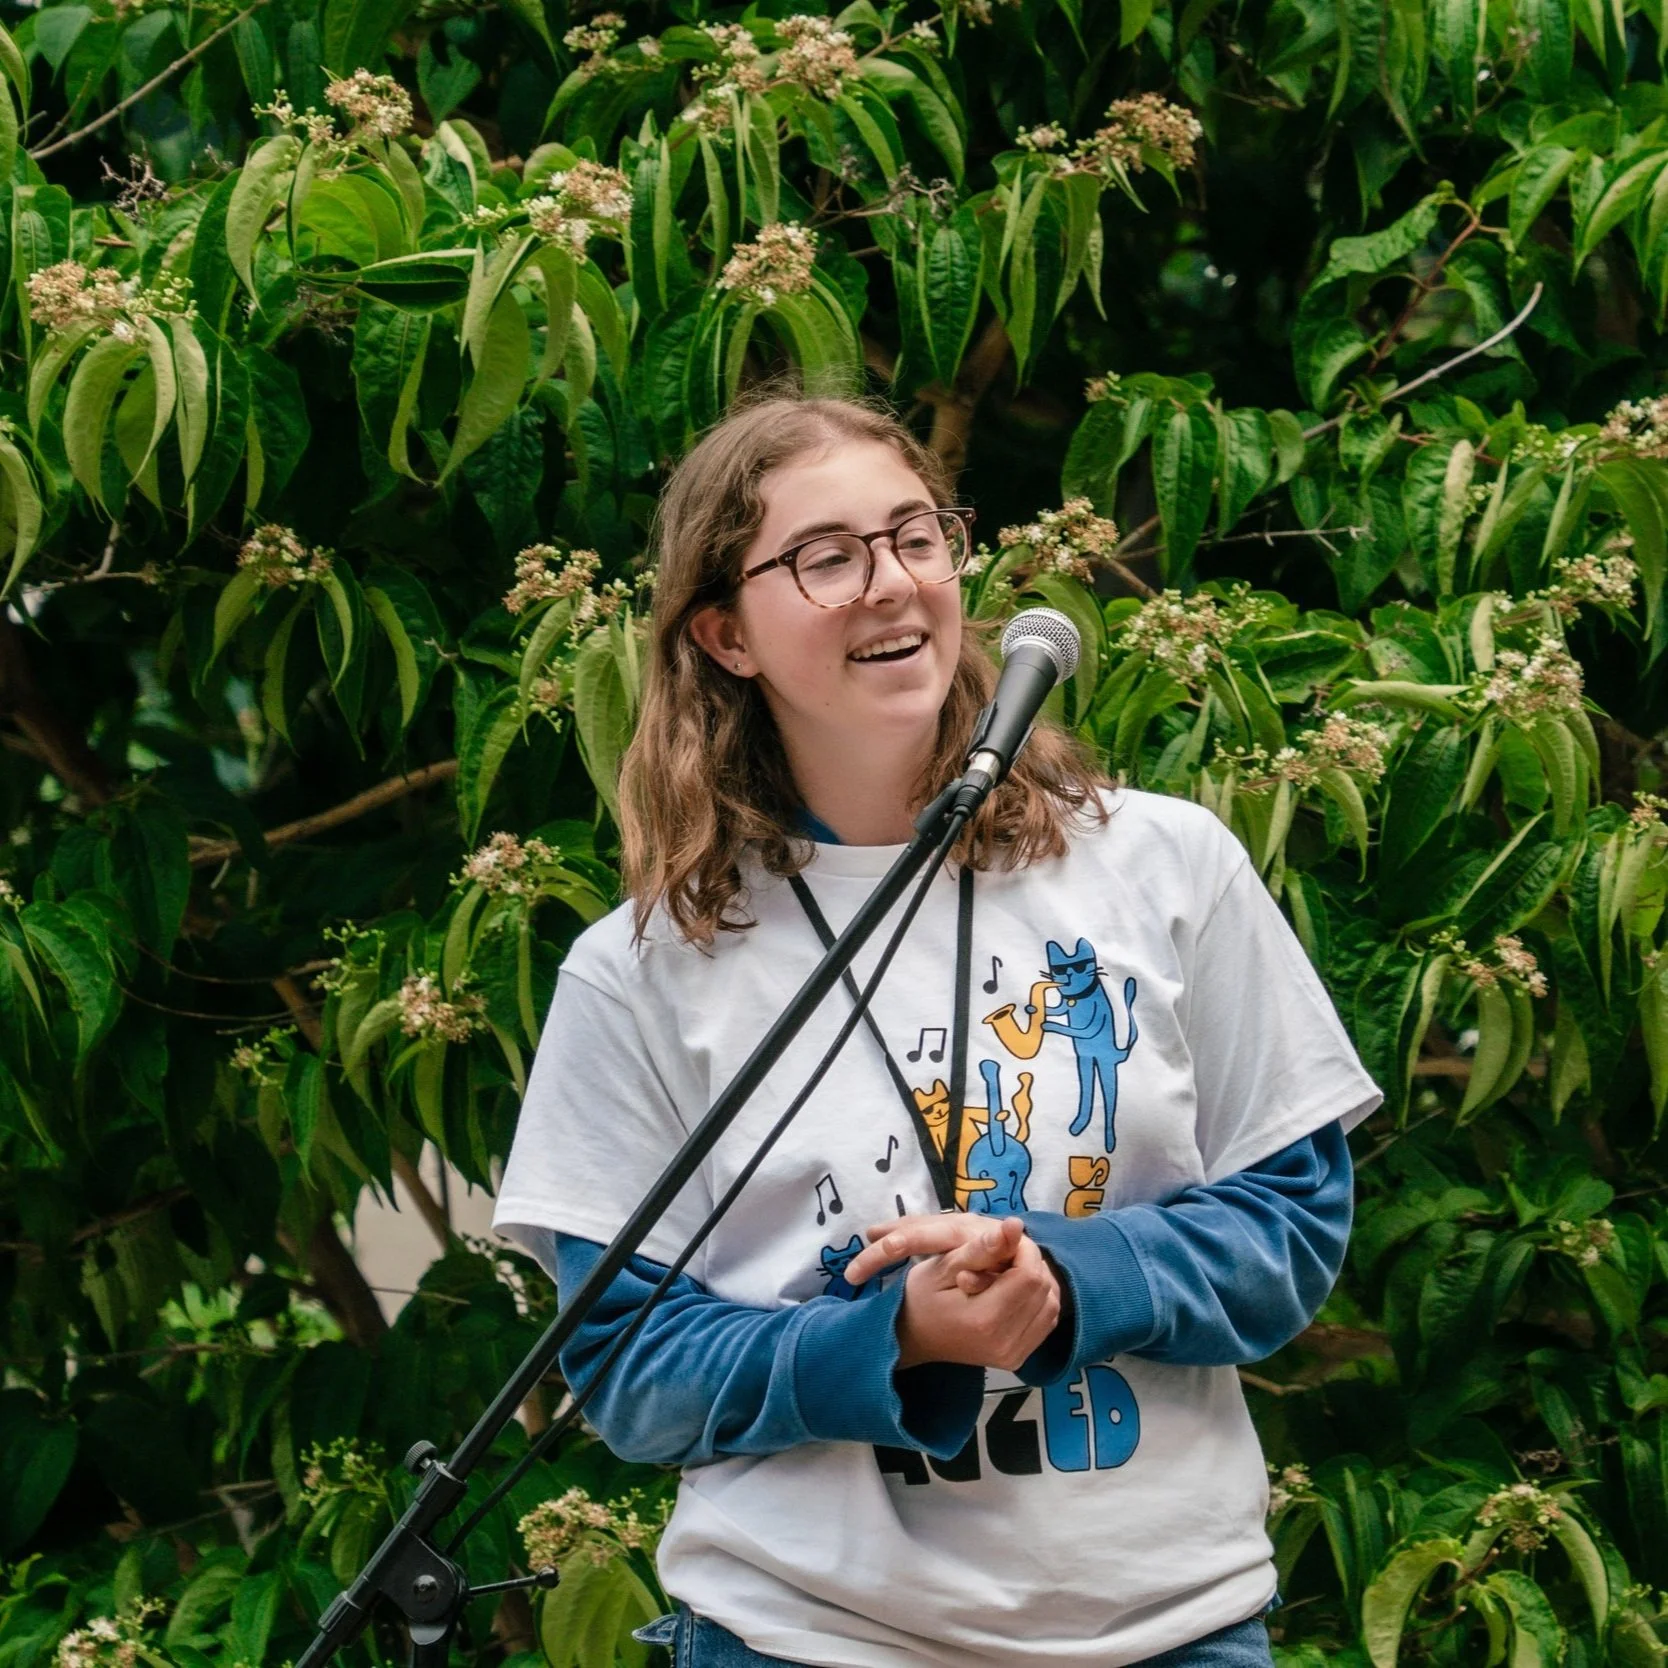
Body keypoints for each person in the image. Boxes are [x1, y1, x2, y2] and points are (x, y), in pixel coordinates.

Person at [493, 393, 1382, 1668]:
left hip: (1169, 1631)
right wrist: (897, 1335)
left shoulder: (1167, 863)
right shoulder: (638, 974)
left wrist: (1067, 1279)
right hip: (807, 1638)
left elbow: (1289, 1233)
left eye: (916, 536)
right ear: (723, 634)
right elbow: (631, 1371)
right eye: (825, 557)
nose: (890, 585)